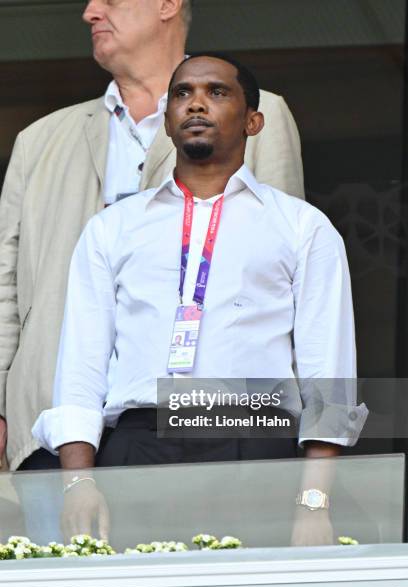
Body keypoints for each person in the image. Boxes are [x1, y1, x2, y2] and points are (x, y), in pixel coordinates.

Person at [33, 54, 368, 544]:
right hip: (137, 446)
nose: (196, 105)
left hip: (255, 443)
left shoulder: (303, 228)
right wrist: (79, 483)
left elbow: (329, 378)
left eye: (217, 92)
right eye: (182, 94)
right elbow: (80, 368)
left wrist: (313, 503)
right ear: (167, 122)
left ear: (253, 121)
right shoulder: (112, 229)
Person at [0, 0, 305, 473]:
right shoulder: (38, 140)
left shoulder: (260, 115)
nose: (90, 12)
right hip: (52, 422)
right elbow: (5, 290)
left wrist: (304, 457)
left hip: (210, 424)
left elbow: (287, 281)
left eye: (110, 0)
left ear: (167, 4)